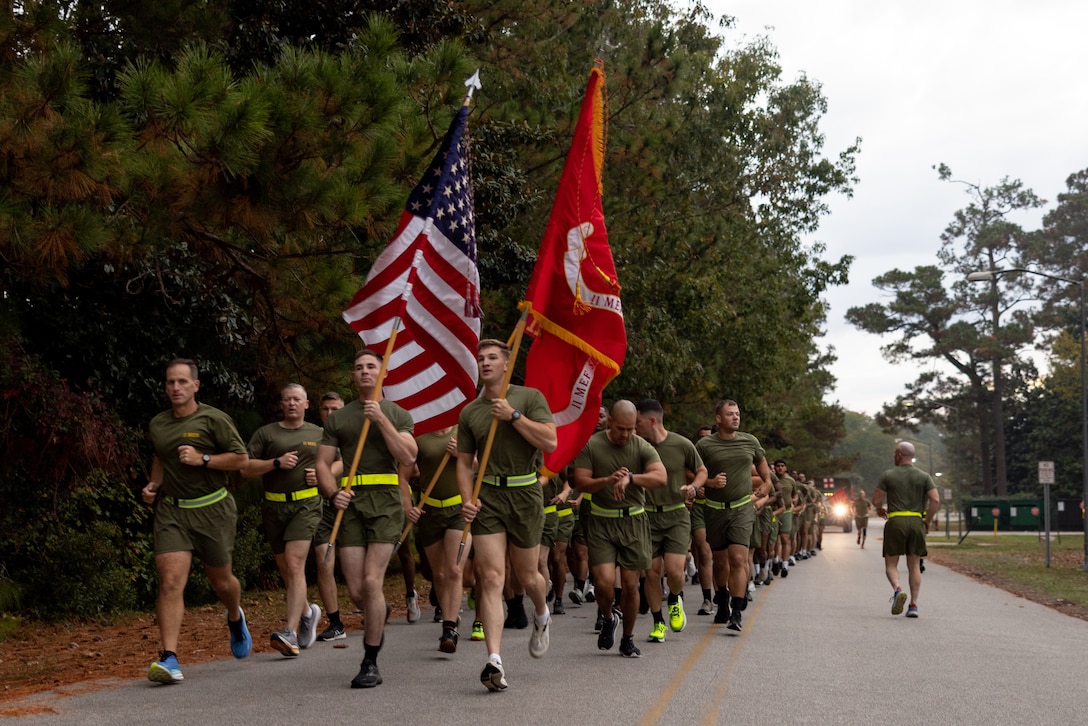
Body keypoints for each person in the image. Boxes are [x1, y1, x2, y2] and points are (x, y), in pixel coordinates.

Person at [142, 358, 251, 684]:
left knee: (222, 582)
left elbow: (241, 459)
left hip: (213, 509)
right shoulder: (159, 424)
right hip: (172, 512)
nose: (175, 387)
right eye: (170, 382)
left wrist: (203, 459)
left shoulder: (214, 419)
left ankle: (234, 614)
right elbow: (161, 455)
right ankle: (170, 658)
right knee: (171, 581)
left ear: (195, 385)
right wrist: (154, 485)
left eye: (181, 382)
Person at [458, 339, 557, 691]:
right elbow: (461, 462)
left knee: (529, 577)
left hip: (525, 493)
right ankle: (494, 659)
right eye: (480, 358)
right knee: (492, 577)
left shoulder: (529, 398)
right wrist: (467, 498)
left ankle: (542, 614)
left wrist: (513, 416)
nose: (485, 363)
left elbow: (550, 442)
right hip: (488, 497)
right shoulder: (470, 412)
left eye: (491, 358)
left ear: (505, 364)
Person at [316, 349, 417, 688]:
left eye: (371, 367)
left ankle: (370, 662)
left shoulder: (397, 413)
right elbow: (322, 465)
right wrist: (333, 493)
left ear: (383, 373)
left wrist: (381, 420)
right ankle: (378, 611)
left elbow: (407, 456)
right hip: (351, 505)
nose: (364, 372)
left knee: (373, 582)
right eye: (358, 367)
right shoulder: (338, 418)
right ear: (353, 376)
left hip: (386, 503)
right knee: (359, 592)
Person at [572, 400, 667, 658]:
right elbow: (580, 481)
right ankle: (608, 616)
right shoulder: (592, 445)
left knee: (630, 584)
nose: (625, 435)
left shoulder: (642, 447)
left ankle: (627, 638)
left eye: (630, 429)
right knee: (603, 584)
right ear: (609, 422)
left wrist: (632, 478)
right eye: (620, 429)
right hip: (602, 521)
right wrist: (607, 480)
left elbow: (661, 477)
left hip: (634, 522)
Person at [241, 384, 325, 657]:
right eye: (287, 399)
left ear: (306, 404)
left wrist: (321, 475)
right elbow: (245, 467)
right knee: (287, 570)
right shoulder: (267, 433)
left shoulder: (318, 434)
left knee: (293, 563)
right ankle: (308, 612)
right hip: (274, 507)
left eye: (297, 399)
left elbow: (339, 463)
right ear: (281, 403)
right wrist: (275, 463)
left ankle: (289, 631)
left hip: (306, 504)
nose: (291, 404)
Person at [694, 399, 771, 633]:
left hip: (741, 507)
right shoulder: (704, 445)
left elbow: (762, 465)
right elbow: (692, 472)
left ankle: (736, 612)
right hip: (715, 508)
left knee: (738, 559)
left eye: (737, 414)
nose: (735, 418)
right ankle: (723, 598)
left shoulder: (750, 441)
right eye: (730, 414)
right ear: (719, 419)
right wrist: (708, 482)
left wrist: (766, 484)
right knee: (719, 561)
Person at [634, 399, 706, 643]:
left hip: (676, 515)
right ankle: (658, 623)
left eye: (638, 422)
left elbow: (702, 470)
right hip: (647, 517)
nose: (635, 427)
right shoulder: (637, 447)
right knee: (652, 573)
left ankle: (675, 598)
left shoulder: (681, 444)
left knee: (675, 572)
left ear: (652, 420)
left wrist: (694, 487)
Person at [405, 426, 466, 652]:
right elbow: (404, 475)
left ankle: (449, 627)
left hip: (459, 509)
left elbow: (481, 465)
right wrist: (408, 506)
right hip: (429, 511)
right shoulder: (420, 435)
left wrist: (463, 454)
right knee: (438, 574)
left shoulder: (462, 432)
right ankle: (450, 614)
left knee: (454, 570)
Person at [872, 442, 939, 618]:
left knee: (891, 564)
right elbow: (935, 501)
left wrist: (879, 509)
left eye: (895, 452)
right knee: (914, 565)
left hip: (896, 521)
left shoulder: (888, 475)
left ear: (900, 454)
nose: (894, 455)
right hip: (916, 522)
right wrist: (927, 521)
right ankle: (914, 605)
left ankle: (897, 589)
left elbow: (876, 499)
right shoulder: (924, 476)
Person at [313, 391, 347, 641]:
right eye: (326, 409)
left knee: (359, 567)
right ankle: (335, 622)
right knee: (324, 562)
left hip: (354, 506)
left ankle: (374, 608)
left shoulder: (354, 432)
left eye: (335, 409)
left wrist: (327, 472)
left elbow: (342, 462)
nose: (330, 414)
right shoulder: (316, 436)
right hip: (324, 508)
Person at [771, 460, 797, 579]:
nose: (780, 468)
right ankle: (776, 560)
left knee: (785, 538)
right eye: (778, 466)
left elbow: (795, 494)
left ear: (786, 468)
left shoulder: (790, 480)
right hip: (774, 512)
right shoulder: (771, 479)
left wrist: (794, 501)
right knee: (775, 539)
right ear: (775, 468)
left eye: (782, 466)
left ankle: (785, 564)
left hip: (786, 511)